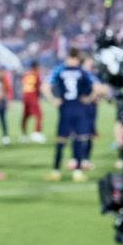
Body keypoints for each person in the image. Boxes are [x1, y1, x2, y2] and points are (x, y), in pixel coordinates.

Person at [43, 48, 95, 182]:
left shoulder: (59, 70)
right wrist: (89, 99)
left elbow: (44, 87)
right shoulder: (82, 72)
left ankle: (55, 171)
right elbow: (98, 88)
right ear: (77, 58)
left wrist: (52, 100)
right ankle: (77, 172)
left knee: (61, 141)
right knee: (78, 140)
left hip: (65, 109)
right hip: (79, 109)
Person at [20, 60, 45, 143]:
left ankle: (23, 135)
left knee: (25, 116)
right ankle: (36, 133)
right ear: (36, 67)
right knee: (39, 115)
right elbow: (38, 87)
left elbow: (23, 84)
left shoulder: (26, 74)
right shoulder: (36, 75)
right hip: (32, 96)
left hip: (25, 96)